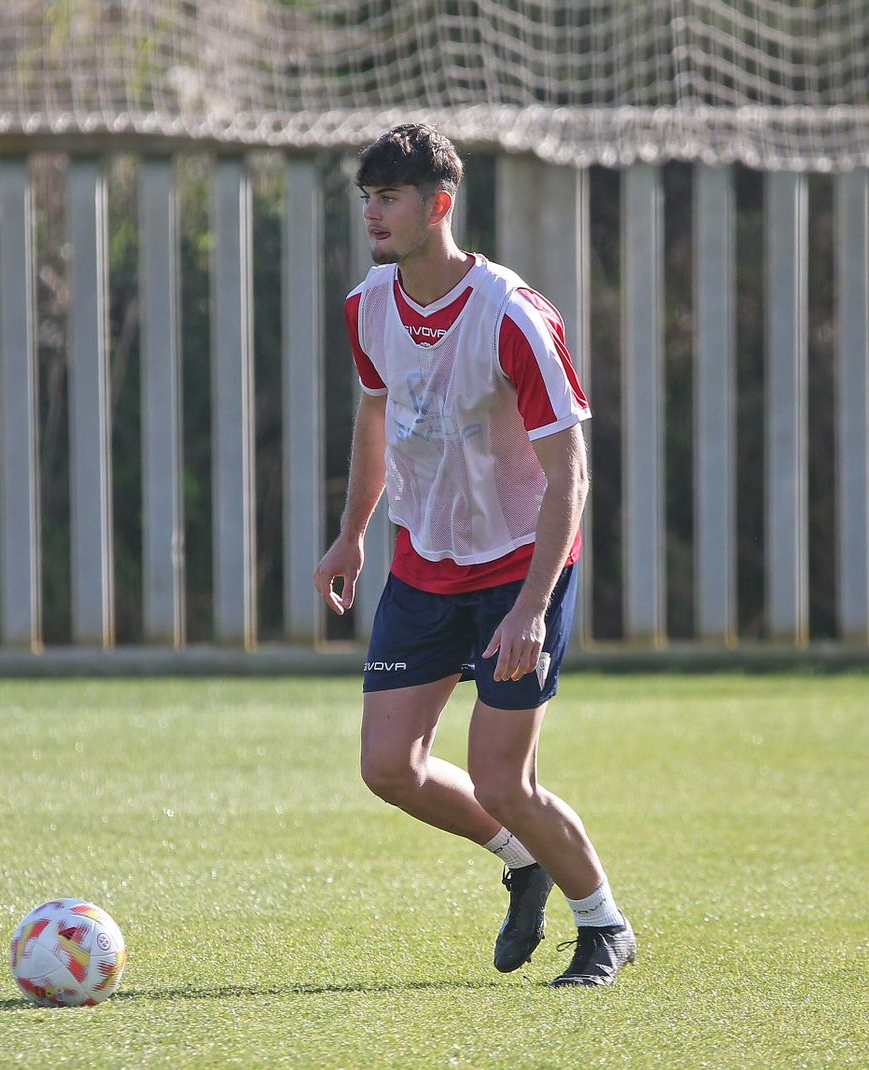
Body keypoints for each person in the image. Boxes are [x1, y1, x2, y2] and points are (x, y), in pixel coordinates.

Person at [312, 122, 636, 987]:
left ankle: (602, 924)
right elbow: (377, 417)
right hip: (425, 564)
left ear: (439, 205)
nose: (374, 216)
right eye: (368, 199)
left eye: (392, 199)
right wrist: (352, 532)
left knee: (503, 776)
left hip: (520, 567)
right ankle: (521, 859)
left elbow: (572, 473)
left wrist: (531, 608)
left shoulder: (512, 315)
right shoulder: (365, 307)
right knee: (388, 767)